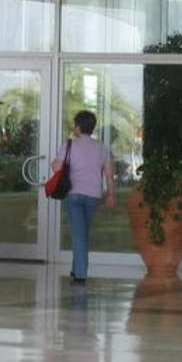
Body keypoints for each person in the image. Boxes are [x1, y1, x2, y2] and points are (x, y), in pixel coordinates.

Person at [53, 109, 115, 285]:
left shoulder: (69, 145)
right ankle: (76, 269)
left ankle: (80, 276)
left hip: (73, 194)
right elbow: (109, 175)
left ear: (78, 127)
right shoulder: (101, 147)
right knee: (82, 233)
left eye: (75, 125)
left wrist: (54, 162)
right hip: (93, 196)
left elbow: (56, 168)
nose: (73, 128)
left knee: (79, 235)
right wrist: (111, 195)